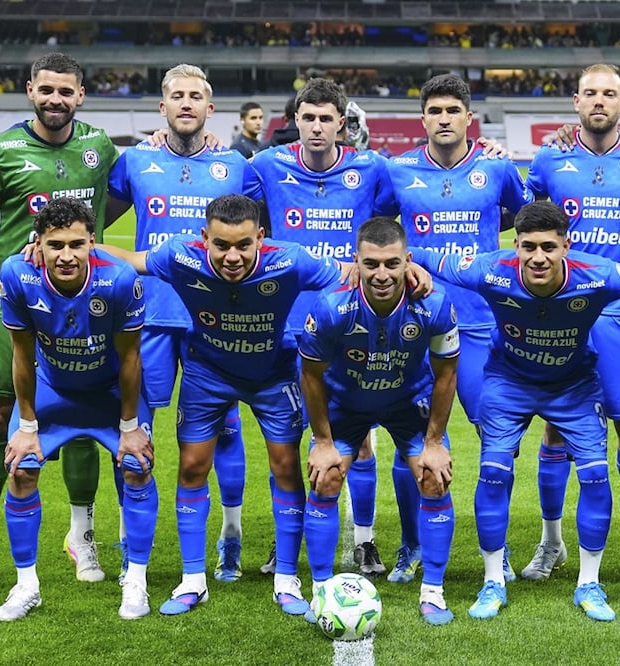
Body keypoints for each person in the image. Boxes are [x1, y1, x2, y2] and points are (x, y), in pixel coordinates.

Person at [97, 194, 341, 618]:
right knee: (192, 466)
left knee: (285, 466)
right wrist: (72, 247)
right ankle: (194, 579)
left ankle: (286, 579)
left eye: (243, 245)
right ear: (204, 238)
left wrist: (408, 270)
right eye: (222, 245)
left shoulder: (292, 260)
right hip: (206, 373)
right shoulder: (179, 257)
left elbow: (351, 273)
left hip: (273, 374)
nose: (232, 256)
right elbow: (128, 258)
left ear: (260, 238)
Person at [0, 52, 117, 594]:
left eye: (66, 91)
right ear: (30, 90)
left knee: (82, 414)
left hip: (81, 302)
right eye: (46, 90)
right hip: (7, 301)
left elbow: (121, 199)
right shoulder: (3, 149)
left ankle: (81, 535)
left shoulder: (100, 147)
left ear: (80, 95)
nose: (55, 99)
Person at [408, 201, 620, 622]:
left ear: (566, 246)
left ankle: (589, 582)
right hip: (508, 382)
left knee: (594, 474)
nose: (538, 257)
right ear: (515, 245)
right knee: (493, 471)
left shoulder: (598, 275)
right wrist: (407, 262)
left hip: (574, 385)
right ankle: (493, 580)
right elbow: (430, 256)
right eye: (528, 247)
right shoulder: (492, 270)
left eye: (549, 247)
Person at [107, 64, 262, 584]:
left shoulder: (235, 164)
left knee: (221, 428)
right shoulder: (136, 160)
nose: (187, 103)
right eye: (177, 96)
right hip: (147, 317)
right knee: (134, 427)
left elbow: (266, 226)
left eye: (197, 96)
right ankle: (132, 534)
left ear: (210, 108)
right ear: (163, 107)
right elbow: (93, 217)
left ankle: (232, 532)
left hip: (212, 318)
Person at [384, 72, 532, 584]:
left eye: (453, 111)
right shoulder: (396, 170)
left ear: (469, 118)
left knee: (496, 438)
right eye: (434, 111)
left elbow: (522, 214)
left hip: (480, 325)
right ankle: (411, 545)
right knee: (412, 437)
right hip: (411, 327)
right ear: (422, 118)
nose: (444, 119)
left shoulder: (496, 166)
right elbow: (383, 231)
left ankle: (498, 544)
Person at [522, 63, 620, 582]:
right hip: (562, 315)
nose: (599, 101)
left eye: (609, 93)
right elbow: (521, 217)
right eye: (590, 93)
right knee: (557, 431)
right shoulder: (550, 158)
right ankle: (551, 542)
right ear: (575, 102)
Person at [250, 77, 397, 577]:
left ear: (341, 123)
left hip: (352, 322)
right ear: (295, 121)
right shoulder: (267, 166)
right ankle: (286, 537)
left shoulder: (372, 168)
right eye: (307, 118)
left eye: (325, 118)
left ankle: (365, 539)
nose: (316, 127)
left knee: (362, 436)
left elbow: (417, 209)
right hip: (287, 322)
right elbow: (225, 200)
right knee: (289, 435)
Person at [0, 197, 157, 621]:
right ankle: (26, 584)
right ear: (39, 245)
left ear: (92, 243)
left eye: (76, 244)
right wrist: (27, 424)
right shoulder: (17, 275)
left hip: (109, 391)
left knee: (137, 466)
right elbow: (21, 354)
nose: (66, 255)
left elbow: (130, 359)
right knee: (22, 467)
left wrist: (130, 425)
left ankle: (135, 581)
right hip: (53, 388)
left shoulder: (120, 280)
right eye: (55, 245)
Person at [300, 217, 460, 625]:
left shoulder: (435, 304)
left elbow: (446, 373)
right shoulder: (331, 307)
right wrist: (321, 441)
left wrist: (436, 442)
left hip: (407, 403)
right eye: (371, 264)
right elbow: (311, 376)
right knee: (326, 475)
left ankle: (434, 591)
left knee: (433, 475)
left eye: (392, 264)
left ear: (408, 261)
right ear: (356, 261)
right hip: (347, 404)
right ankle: (321, 592)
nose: (382, 274)